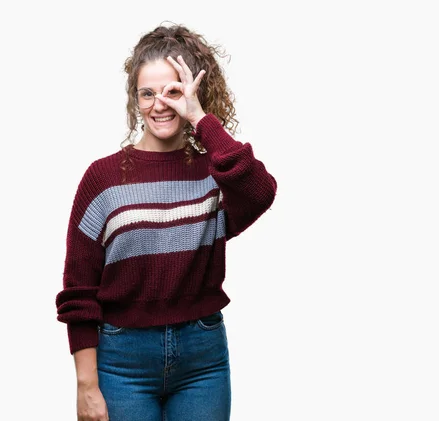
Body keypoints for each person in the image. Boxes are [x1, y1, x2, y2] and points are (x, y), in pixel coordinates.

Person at [55, 22, 277, 421]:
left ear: (192, 92)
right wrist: (86, 385)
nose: (159, 104)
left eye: (173, 92)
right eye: (147, 94)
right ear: (134, 100)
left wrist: (202, 121)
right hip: (122, 362)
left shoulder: (215, 170)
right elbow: (78, 290)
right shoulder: (103, 179)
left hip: (202, 359)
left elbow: (261, 192)